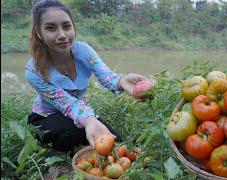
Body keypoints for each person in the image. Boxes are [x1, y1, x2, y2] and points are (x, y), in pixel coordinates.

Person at [25, 0, 152, 155]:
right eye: (51, 28)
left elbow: (106, 76)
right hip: (45, 118)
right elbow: (67, 104)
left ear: (73, 27)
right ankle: (59, 150)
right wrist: (89, 120)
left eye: (66, 26)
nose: (62, 35)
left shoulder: (84, 51)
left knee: (116, 141)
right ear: (39, 32)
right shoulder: (33, 70)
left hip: (78, 113)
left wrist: (122, 81)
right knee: (76, 130)